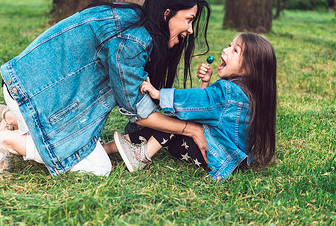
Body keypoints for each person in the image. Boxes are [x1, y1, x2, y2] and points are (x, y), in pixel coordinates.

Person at [0, 0, 211, 177]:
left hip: (23, 84)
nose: (190, 30)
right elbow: (140, 112)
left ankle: (11, 117)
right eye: (189, 20)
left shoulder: (129, 16)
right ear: (167, 13)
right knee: (99, 167)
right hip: (33, 95)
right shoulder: (133, 42)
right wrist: (190, 129)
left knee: (87, 147)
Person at [105, 33, 277, 181]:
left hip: (213, 156)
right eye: (229, 45)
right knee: (176, 122)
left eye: (235, 50)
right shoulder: (246, 94)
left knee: (174, 121)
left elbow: (194, 104)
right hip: (228, 158)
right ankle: (106, 148)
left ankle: (142, 156)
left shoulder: (229, 91)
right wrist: (205, 83)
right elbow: (206, 108)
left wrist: (159, 94)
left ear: (249, 68)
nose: (225, 50)